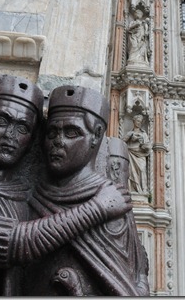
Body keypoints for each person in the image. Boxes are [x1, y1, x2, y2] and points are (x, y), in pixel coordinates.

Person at [0, 75, 132, 296]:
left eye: (23, 128)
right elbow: (16, 242)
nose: (11, 135)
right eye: (1, 121)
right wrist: (98, 208)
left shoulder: (25, 195)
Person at [24, 85, 150, 296]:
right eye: (52, 133)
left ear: (96, 135)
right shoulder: (32, 194)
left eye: (71, 132)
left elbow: (136, 272)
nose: (58, 142)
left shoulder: (114, 200)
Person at [122, 114, 152, 194]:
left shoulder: (144, 134)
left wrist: (142, 143)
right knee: (131, 172)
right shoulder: (130, 133)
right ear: (134, 121)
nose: (139, 123)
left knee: (142, 170)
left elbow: (148, 147)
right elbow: (121, 143)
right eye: (138, 121)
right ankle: (132, 189)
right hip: (131, 154)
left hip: (140, 155)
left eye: (141, 122)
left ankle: (143, 190)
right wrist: (130, 137)